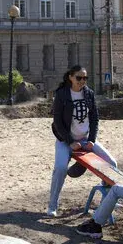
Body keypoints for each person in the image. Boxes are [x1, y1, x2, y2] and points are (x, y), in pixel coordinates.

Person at [48, 65, 117, 218]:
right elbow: (57, 122)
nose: (82, 81)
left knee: (112, 164)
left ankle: (107, 201)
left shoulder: (89, 94)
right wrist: (70, 141)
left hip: (86, 139)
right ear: (71, 77)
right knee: (59, 168)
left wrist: (91, 140)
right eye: (79, 78)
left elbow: (94, 118)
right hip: (65, 140)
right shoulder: (62, 94)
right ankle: (52, 206)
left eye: (85, 78)